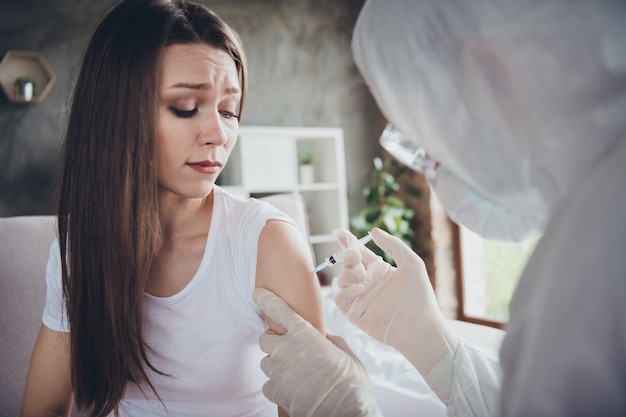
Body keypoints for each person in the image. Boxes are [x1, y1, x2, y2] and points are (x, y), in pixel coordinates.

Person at [253, 0, 626, 416]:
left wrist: (347, 407)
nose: (435, 175)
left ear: (490, 75)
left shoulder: (597, 259)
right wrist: (432, 346)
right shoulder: (600, 209)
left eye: (424, 148)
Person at [20, 1, 324, 416]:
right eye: (185, 107)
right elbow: (44, 406)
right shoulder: (80, 247)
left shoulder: (268, 243)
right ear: (117, 115)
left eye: (229, 110)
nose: (219, 133)